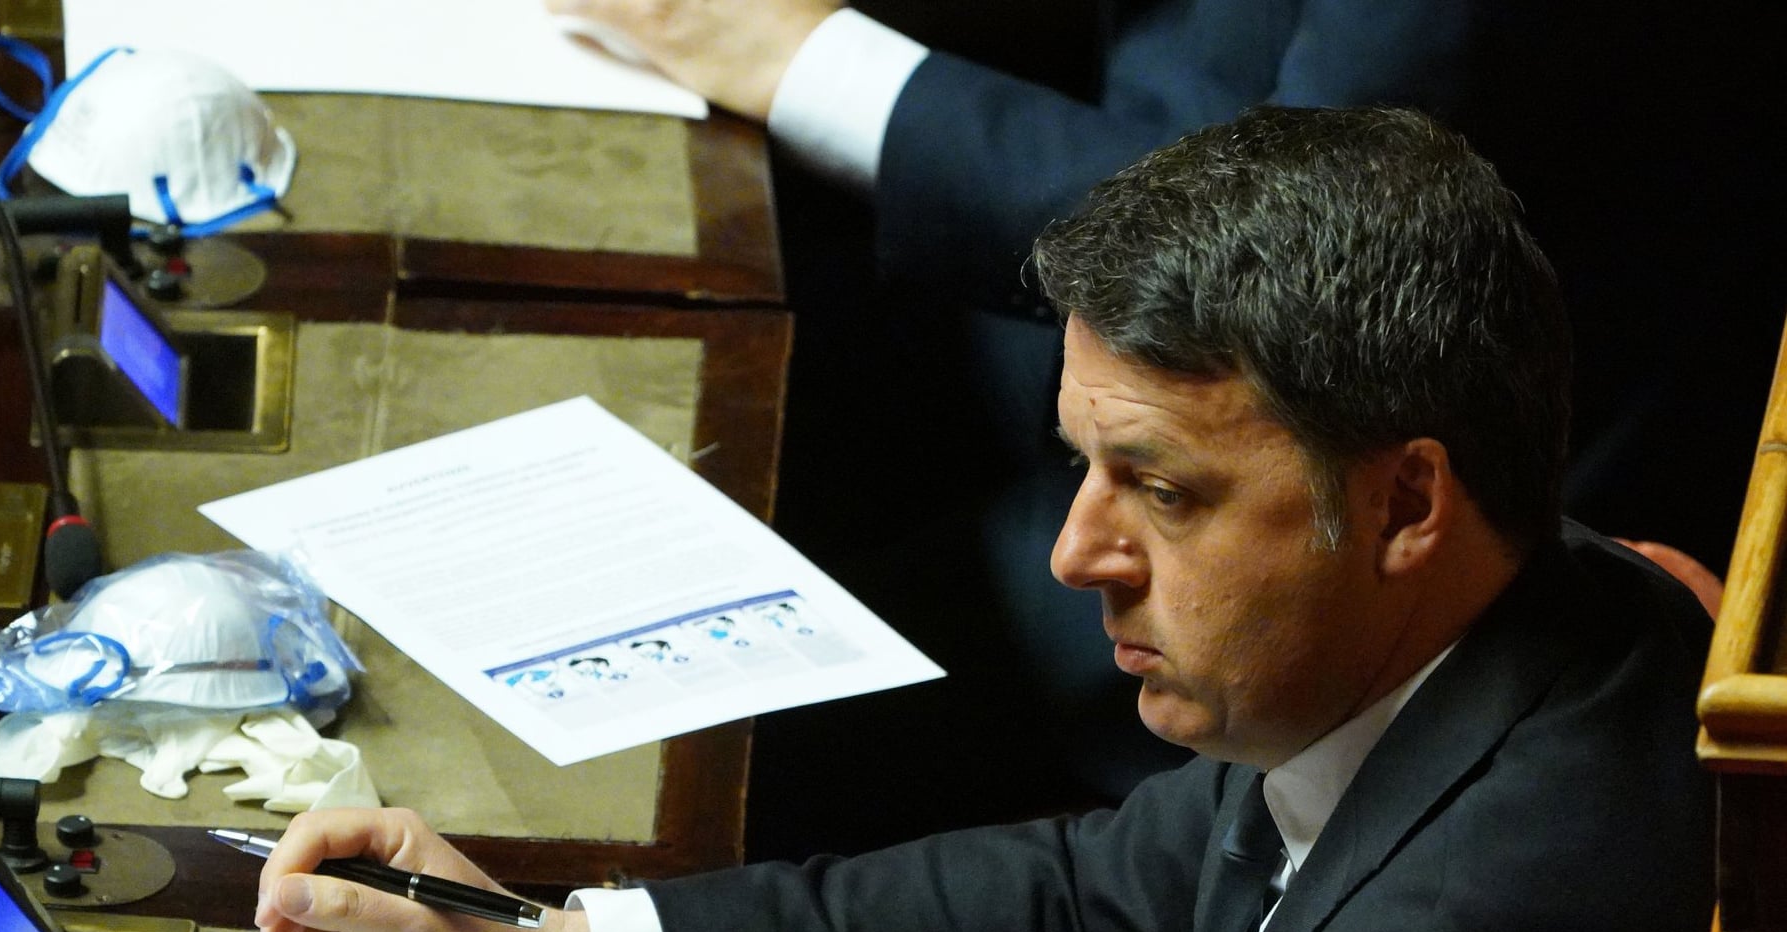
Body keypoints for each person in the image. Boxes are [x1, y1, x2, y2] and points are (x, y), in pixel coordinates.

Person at [257, 107, 1727, 932]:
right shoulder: (1518, 605)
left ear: (1406, 502)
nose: (1077, 553)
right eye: (1084, 467)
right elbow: (1095, 904)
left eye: (1163, 490)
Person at [538, 1, 1787, 859]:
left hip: (1313, 522)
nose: (1077, 556)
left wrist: (814, 62)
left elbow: (1283, 252)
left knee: (679, 745)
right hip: (1081, 375)